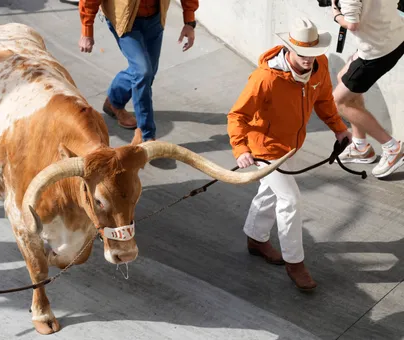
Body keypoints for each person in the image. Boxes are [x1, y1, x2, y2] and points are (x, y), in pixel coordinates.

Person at [228, 18, 352, 291]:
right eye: (302, 54)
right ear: (288, 48)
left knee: (270, 193)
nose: (308, 60)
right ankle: (295, 263)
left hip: (292, 146)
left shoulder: (319, 66)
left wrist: (339, 129)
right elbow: (238, 115)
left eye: (312, 53)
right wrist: (241, 149)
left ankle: (256, 238)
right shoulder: (266, 78)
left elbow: (324, 100)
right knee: (290, 200)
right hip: (266, 149)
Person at [79, 0, 198, 143]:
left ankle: (114, 101)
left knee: (148, 72)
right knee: (143, 72)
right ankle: (147, 137)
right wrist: (87, 29)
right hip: (125, 21)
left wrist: (189, 22)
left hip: (155, 19)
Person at [331, 0, 404, 178]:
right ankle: (360, 147)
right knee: (343, 78)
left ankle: (392, 148)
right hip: (394, 37)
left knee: (339, 101)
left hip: (376, 52)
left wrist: (336, 14)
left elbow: (352, 25)